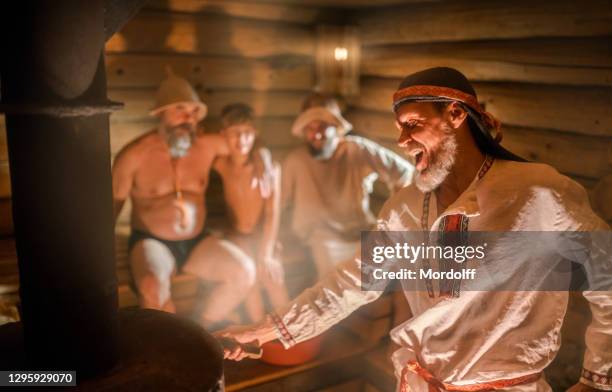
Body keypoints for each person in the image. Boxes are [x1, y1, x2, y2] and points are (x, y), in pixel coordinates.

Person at [216, 68, 611, 392]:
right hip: (418, 383)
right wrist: (265, 331)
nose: (402, 140)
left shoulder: (535, 193)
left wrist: (597, 380)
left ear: (456, 116)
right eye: (400, 128)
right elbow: (351, 284)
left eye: (413, 124)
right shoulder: (405, 208)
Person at [112, 68, 230, 312]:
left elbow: (245, 141)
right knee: (152, 285)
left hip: (197, 239)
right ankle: (175, 341)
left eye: (193, 112)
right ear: (161, 113)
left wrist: (260, 157)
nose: (188, 118)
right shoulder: (134, 155)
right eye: (180, 110)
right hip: (151, 241)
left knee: (244, 272)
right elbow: (110, 208)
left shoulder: (207, 146)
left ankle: (205, 331)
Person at [282, 93, 414, 277]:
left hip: (361, 234)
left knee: (398, 277)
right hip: (319, 239)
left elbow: (403, 172)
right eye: (310, 128)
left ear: (336, 127)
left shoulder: (356, 149)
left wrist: (393, 216)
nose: (316, 134)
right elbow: (279, 203)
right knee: (338, 287)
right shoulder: (295, 161)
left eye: (322, 126)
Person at [183, 103, 289, 329]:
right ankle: (259, 337)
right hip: (237, 237)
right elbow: (202, 148)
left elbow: (272, 212)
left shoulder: (269, 169)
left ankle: (292, 336)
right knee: (251, 294)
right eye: (234, 134)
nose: (241, 141)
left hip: (264, 236)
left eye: (247, 134)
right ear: (224, 135)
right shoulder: (221, 164)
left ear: (255, 135)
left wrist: (267, 252)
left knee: (273, 280)